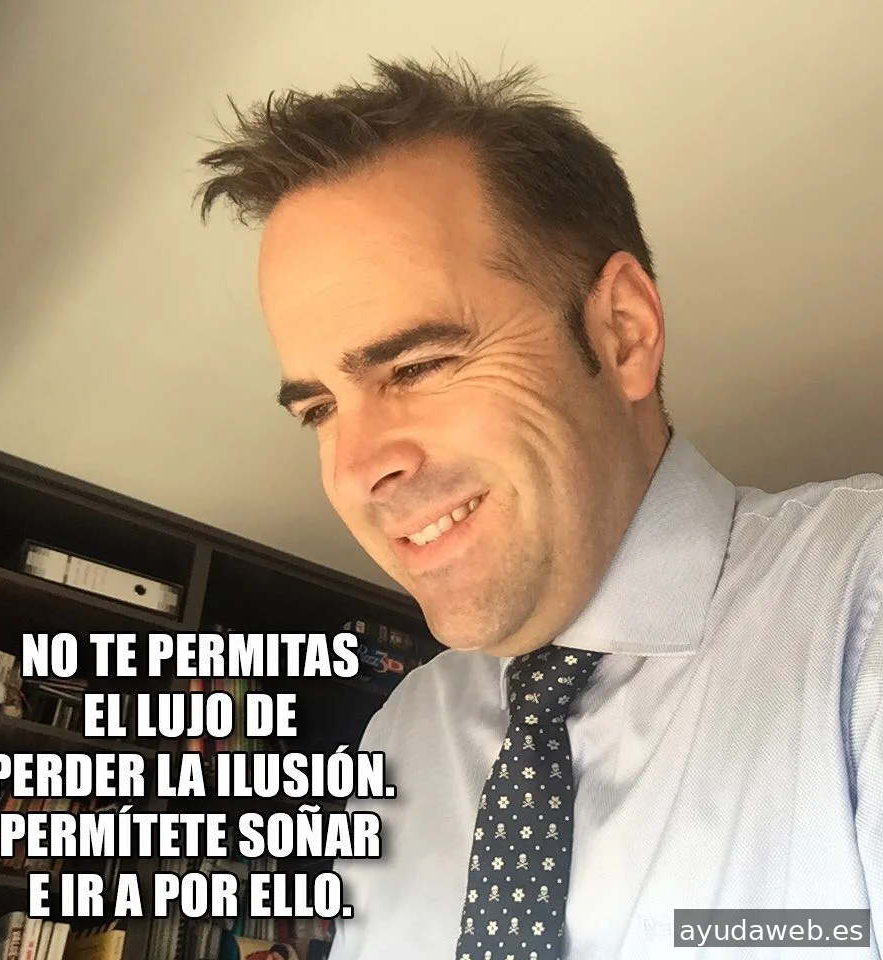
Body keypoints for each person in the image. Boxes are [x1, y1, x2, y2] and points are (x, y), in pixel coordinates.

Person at [197, 58, 882, 959]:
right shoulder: (401, 736)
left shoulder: (861, 610)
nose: (359, 470)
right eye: (319, 410)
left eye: (417, 366)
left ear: (622, 332)